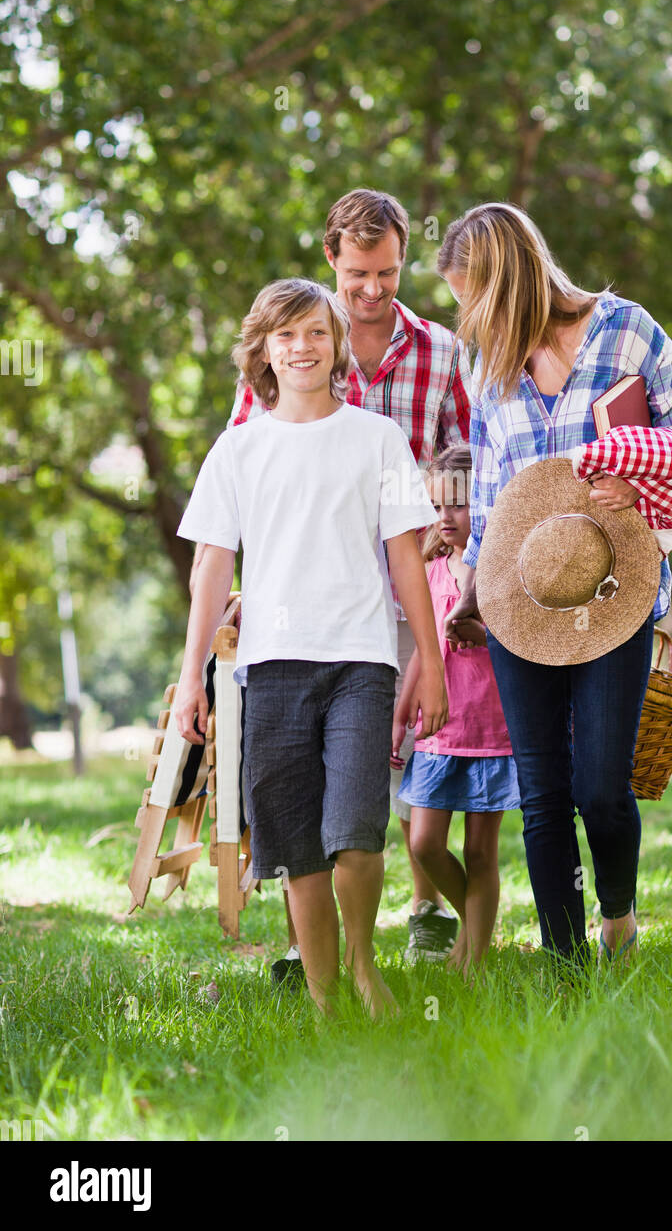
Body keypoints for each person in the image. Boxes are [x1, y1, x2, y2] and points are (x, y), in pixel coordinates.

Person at [189, 190, 471, 975]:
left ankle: (413, 915)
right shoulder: (269, 395)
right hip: (294, 610)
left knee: (384, 773)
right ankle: (308, 953)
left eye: (387, 272)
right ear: (332, 264)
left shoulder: (439, 353)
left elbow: (464, 456)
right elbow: (243, 497)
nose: (373, 288)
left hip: (400, 577)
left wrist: (449, 516)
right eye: (357, 274)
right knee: (297, 793)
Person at [437, 203, 672, 974]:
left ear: (507, 279)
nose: (466, 316)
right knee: (543, 794)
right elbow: (488, 489)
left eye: (472, 296)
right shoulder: (484, 361)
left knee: (602, 791)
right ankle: (563, 966)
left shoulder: (627, 331)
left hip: (615, 592)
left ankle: (615, 917)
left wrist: (638, 476)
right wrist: (470, 591)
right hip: (523, 602)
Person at [392, 445, 520, 980]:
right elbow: (425, 651)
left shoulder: (501, 569)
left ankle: (474, 960)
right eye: (437, 506)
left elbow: (521, 642)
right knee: (423, 843)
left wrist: (483, 636)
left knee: (480, 851)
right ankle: (472, 930)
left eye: (459, 506)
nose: (445, 518)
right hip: (439, 729)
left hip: (491, 730)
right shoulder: (430, 569)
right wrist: (400, 717)